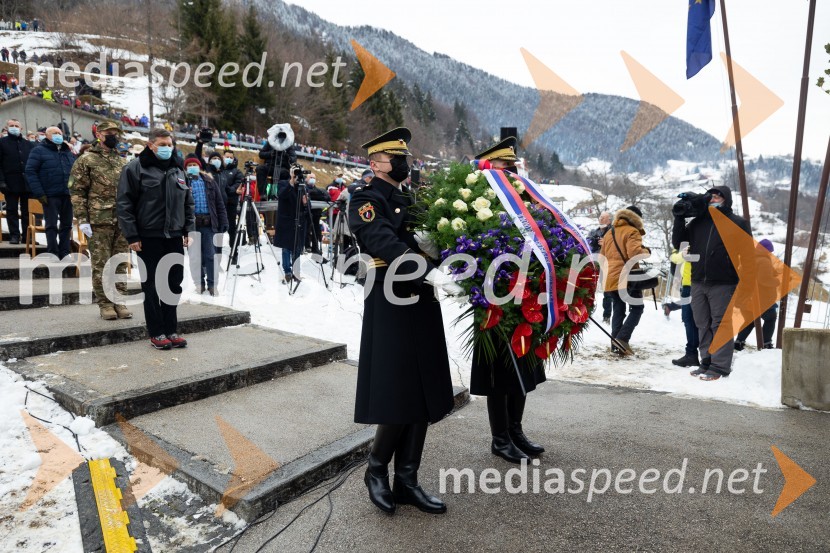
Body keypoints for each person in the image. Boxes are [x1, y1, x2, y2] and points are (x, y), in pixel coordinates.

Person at [349, 127, 460, 515]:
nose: (404, 164)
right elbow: (382, 240)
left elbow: (421, 239)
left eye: (405, 158)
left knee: (423, 385)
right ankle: (376, 470)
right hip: (390, 294)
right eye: (397, 158)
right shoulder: (365, 199)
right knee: (398, 386)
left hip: (420, 296)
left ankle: (407, 479)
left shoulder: (409, 199)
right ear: (377, 162)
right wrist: (426, 269)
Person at [468, 137, 548, 465]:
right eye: (504, 165)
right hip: (494, 296)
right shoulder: (478, 197)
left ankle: (515, 430)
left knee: (524, 363)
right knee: (499, 371)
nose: (511, 170)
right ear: (487, 165)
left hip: (525, 293)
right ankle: (499, 438)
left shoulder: (523, 197)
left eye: (513, 165)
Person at [117, 129, 194, 350]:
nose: (167, 148)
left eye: (169, 144)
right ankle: (157, 332)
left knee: (172, 284)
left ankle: (171, 329)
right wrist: (132, 235)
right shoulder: (135, 168)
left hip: (174, 237)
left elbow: (188, 203)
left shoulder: (178, 170)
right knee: (151, 285)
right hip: (147, 237)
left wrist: (188, 229)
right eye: (162, 144)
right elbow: (124, 205)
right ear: (150, 145)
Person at [672, 185, 752, 381]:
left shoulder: (738, 222)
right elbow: (678, 242)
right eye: (711, 196)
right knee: (702, 323)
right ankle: (706, 361)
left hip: (724, 282)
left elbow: (748, 255)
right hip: (699, 281)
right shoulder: (699, 222)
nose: (714, 198)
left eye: (719, 195)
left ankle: (720, 366)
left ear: (727, 199)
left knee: (720, 324)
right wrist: (679, 218)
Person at [69, 121, 131, 320]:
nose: (113, 135)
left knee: (120, 262)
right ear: (99, 134)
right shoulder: (86, 160)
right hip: (98, 220)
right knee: (101, 264)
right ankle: (105, 304)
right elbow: (77, 191)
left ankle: (119, 300)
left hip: (121, 220)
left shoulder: (121, 162)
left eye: (116, 132)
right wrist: (82, 218)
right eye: (109, 132)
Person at [600, 205, 650, 356]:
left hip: (611, 278)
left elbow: (602, 256)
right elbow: (634, 253)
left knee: (618, 310)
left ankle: (615, 346)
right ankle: (622, 339)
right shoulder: (633, 231)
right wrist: (647, 251)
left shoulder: (609, 232)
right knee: (637, 308)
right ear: (636, 219)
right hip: (628, 277)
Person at [24, 126, 75, 259]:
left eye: (59, 133)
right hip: (50, 195)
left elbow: (74, 172)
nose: (58, 135)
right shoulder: (38, 151)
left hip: (67, 194)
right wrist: (39, 193)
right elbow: (30, 172)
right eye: (54, 133)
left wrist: (73, 189)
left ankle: (64, 252)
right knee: (51, 225)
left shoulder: (67, 151)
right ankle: (52, 251)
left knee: (66, 225)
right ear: (46, 135)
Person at [183, 155, 227, 295]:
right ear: (185, 168)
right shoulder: (183, 182)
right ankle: (199, 283)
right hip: (192, 226)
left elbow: (219, 203)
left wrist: (223, 221)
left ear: (199, 167)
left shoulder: (209, 181)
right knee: (195, 257)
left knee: (210, 255)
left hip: (209, 224)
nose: (192, 168)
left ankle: (213, 284)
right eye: (189, 166)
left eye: (194, 165)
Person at [734, 239, 778, 351]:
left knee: (749, 320)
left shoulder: (749, 259)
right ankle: (766, 343)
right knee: (771, 318)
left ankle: (739, 342)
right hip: (761, 298)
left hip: (746, 296)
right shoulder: (764, 261)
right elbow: (764, 280)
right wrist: (777, 281)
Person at [0, 118, 35, 244]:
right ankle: (14, 235)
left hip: (26, 183)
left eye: (16, 125)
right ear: (7, 128)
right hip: (10, 183)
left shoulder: (28, 144)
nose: (14, 127)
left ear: (21, 129)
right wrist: (1, 181)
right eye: (11, 125)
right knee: (12, 210)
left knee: (27, 211)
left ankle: (27, 236)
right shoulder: (2, 143)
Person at [274, 166, 306, 284]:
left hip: (298, 221)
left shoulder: (302, 186)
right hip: (286, 221)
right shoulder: (283, 183)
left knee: (297, 247)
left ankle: (296, 272)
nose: (296, 174)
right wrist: (291, 181)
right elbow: (281, 195)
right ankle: (287, 271)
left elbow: (307, 206)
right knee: (286, 248)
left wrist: (305, 203)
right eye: (294, 172)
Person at [669, 247, 700, 367]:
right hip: (687, 284)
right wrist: (683, 253)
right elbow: (673, 257)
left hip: (701, 283)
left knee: (702, 320)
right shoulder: (682, 240)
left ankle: (708, 356)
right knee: (688, 320)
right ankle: (691, 354)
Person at [589, 211, 613, 324]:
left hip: (607, 263)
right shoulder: (594, 232)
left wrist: (607, 244)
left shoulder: (614, 232)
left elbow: (619, 248)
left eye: (604, 218)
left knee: (607, 291)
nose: (601, 220)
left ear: (609, 220)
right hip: (594, 262)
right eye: (600, 217)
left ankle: (607, 316)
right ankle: (587, 311)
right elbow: (588, 243)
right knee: (589, 287)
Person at [304, 172, 329, 254]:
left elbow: (327, 197)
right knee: (306, 229)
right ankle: (306, 246)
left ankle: (315, 248)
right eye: (311, 177)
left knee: (316, 230)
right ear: (306, 178)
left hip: (316, 214)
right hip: (306, 214)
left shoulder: (318, 190)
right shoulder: (303, 188)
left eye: (314, 178)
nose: (312, 179)